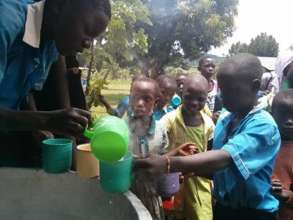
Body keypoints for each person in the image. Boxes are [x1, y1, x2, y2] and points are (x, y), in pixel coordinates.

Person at [134, 53, 281, 220]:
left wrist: (168, 163)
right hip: (224, 209)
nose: (222, 96)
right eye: (221, 90)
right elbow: (218, 169)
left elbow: (225, 158)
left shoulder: (263, 125)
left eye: (231, 90)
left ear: (255, 87)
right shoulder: (226, 118)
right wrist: (187, 165)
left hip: (254, 214)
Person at [0, 0, 111, 166]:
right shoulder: (6, 23)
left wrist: (37, 127)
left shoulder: (52, 44)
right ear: (58, 6)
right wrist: (44, 121)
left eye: (93, 39)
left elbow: (25, 88)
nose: (88, 44)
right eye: (87, 31)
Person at [160, 74, 214, 220]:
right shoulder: (169, 121)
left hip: (199, 185)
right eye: (189, 97)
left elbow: (210, 153)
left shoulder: (208, 124)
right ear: (181, 93)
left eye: (200, 99)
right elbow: (159, 151)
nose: (194, 103)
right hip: (173, 185)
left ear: (207, 97)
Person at [128, 78, 168, 220]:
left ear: (155, 103)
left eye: (146, 99)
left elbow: (163, 158)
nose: (139, 104)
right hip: (125, 193)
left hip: (151, 194)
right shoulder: (120, 128)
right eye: (135, 98)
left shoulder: (160, 130)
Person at [271, 89, 293, 220]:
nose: (290, 121)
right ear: (271, 115)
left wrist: (287, 195)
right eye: (283, 115)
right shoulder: (262, 144)